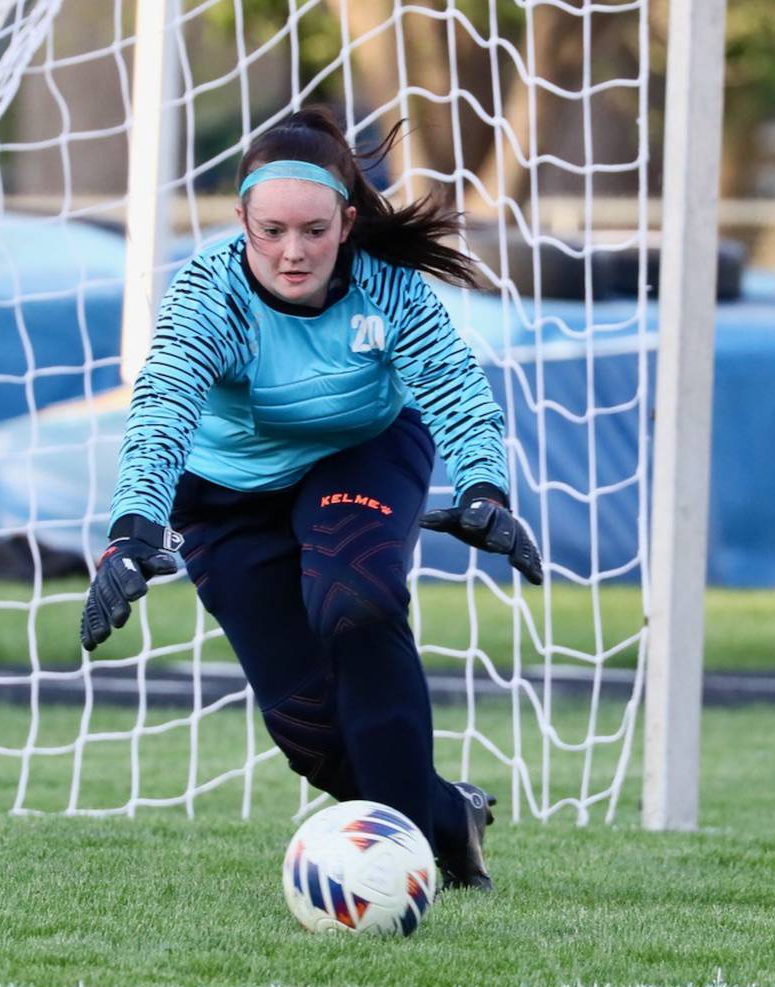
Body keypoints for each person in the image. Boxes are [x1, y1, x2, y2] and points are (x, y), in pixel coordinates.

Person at [79, 108, 543, 892]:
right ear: (240, 222)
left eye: (314, 231)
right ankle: (445, 819)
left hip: (358, 455)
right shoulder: (209, 293)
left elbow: (457, 388)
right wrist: (131, 532)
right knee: (310, 730)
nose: (293, 252)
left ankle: (407, 873)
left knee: (354, 602)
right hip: (227, 497)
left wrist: (484, 486)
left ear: (347, 222)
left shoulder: (389, 289)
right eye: (271, 231)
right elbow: (161, 406)